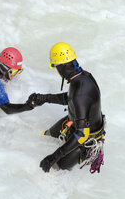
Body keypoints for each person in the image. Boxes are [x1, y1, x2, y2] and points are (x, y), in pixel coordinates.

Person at [28, 42, 106, 173]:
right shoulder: (83, 76)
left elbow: (81, 134)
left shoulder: (80, 91)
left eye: (56, 67)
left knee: (53, 172)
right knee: (45, 136)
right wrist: (44, 98)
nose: (56, 71)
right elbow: (71, 99)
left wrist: (54, 156)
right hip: (73, 124)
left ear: (62, 67)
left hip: (85, 142)